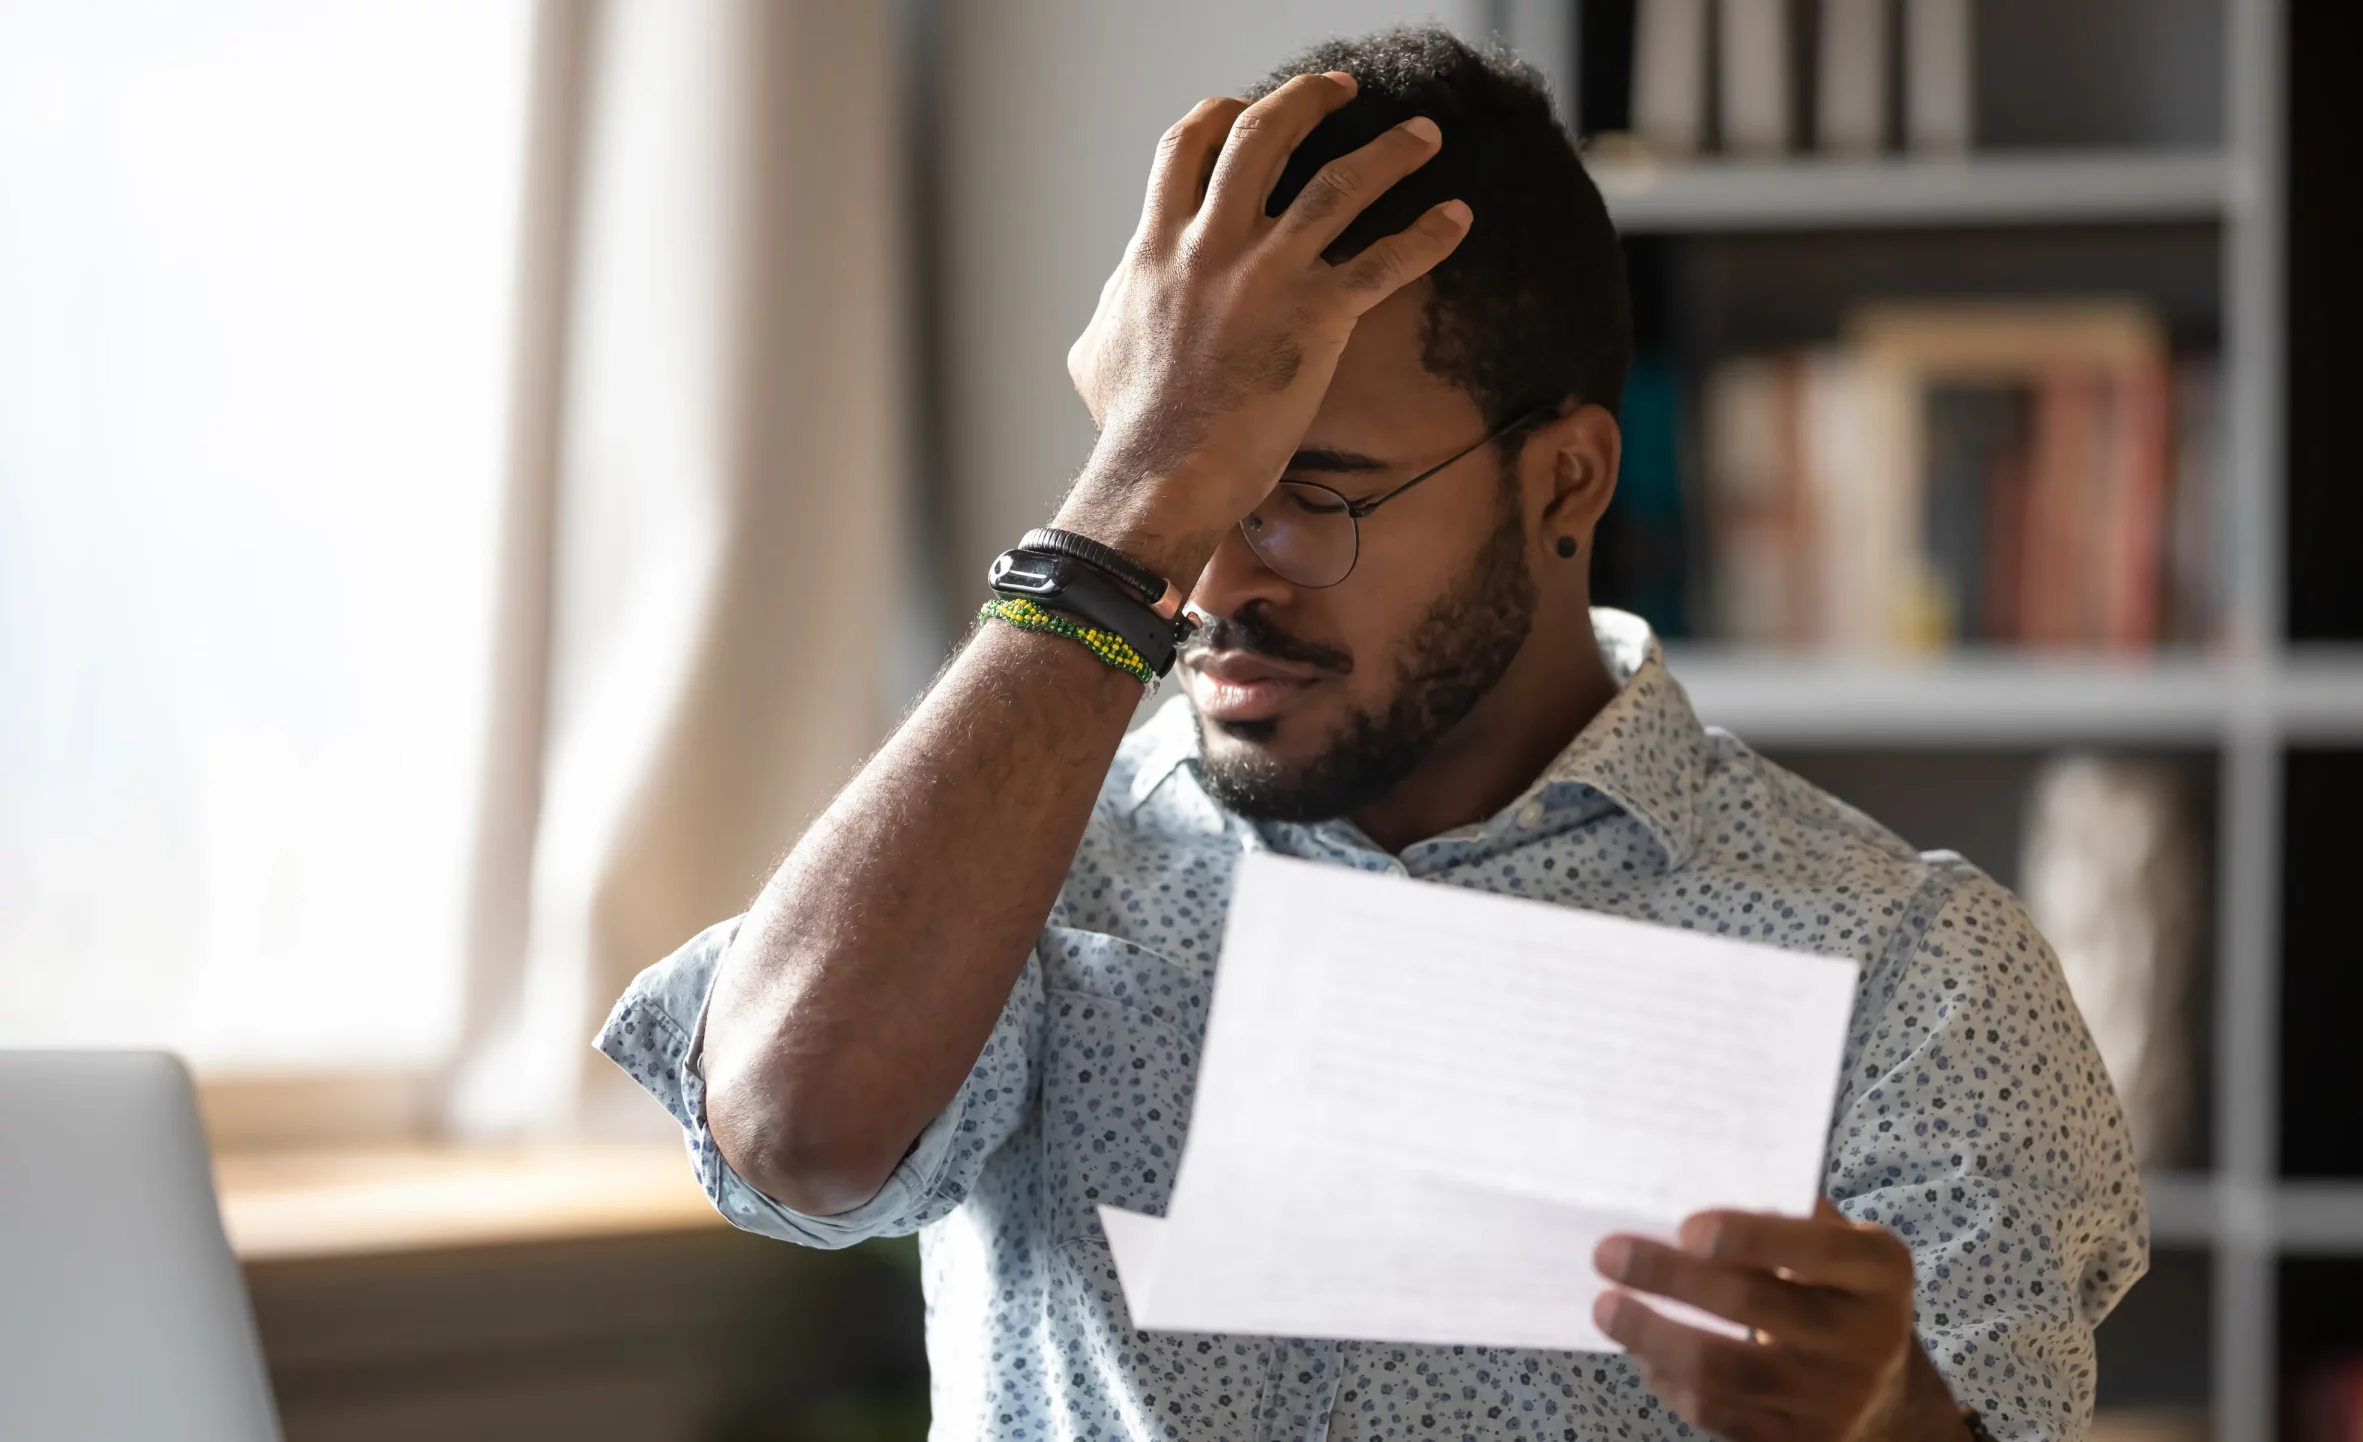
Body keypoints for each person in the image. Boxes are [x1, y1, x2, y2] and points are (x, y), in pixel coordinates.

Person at [598, 27, 2145, 1442]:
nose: (1210, 584)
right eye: (1192, 485)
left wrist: (1893, 1421)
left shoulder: (1913, 976)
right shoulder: (1027, 875)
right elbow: (794, 1130)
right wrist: (1132, 493)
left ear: (1565, 484)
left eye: (1311, 494)